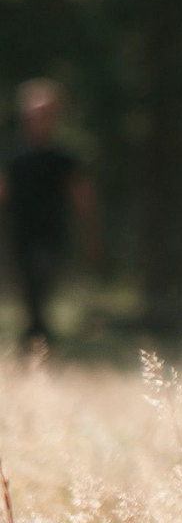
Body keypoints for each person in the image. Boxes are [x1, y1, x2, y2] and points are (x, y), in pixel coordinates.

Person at [5, 80, 97, 349]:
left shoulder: (64, 157)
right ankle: (37, 341)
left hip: (52, 234)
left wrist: (91, 236)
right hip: (20, 234)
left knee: (41, 284)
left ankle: (36, 342)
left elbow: (82, 198)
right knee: (29, 292)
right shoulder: (14, 157)